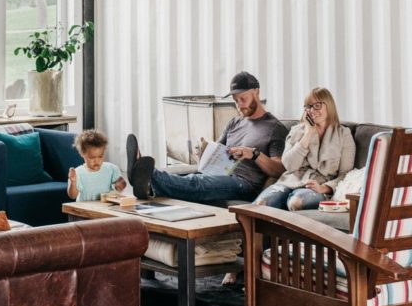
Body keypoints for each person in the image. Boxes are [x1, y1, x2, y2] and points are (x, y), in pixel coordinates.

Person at [127, 72, 287, 204]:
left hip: (244, 183)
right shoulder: (234, 122)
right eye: (235, 100)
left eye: (243, 99)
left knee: (197, 183)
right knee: (188, 177)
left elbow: (279, 168)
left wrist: (254, 154)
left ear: (256, 92)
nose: (239, 104)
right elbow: (218, 152)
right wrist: (203, 152)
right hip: (220, 173)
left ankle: (147, 174)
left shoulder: (274, 128)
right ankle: (147, 184)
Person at [255, 87, 355, 211]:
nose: (312, 110)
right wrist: (308, 134)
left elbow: (346, 174)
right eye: (308, 106)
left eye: (317, 105)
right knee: (261, 203)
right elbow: (289, 165)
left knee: (296, 202)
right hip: (289, 182)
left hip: (317, 186)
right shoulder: (297, 130)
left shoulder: (343, 134)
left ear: (329, 106)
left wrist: (324, 187)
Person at [67, 129, 127, 202]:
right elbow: (72, 196)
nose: (97, 161)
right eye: (92, 158)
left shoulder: (112, 169)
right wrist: (73, 182)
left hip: (106, 207)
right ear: (82, 154)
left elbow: (120, 188)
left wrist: (121, 185)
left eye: (100, 156)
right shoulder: (78, 173)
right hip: (85, 209)